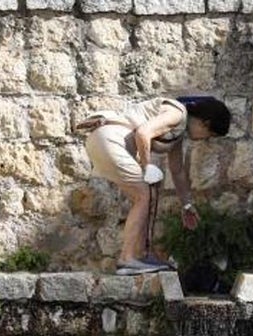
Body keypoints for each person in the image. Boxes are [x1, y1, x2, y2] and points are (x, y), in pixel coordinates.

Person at [79, 96, 232, 276]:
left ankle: (140, 255)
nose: (205, 139)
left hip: (101, 142)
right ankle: (127, 259)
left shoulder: (177, 133)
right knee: (145, 195)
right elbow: (143, 133)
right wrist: (147, 167)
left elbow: (178, 171)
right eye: (210, 135)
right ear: (205, 123)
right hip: (111, 141)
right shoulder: (177, 114)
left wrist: (187, 204)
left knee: (147, 195)